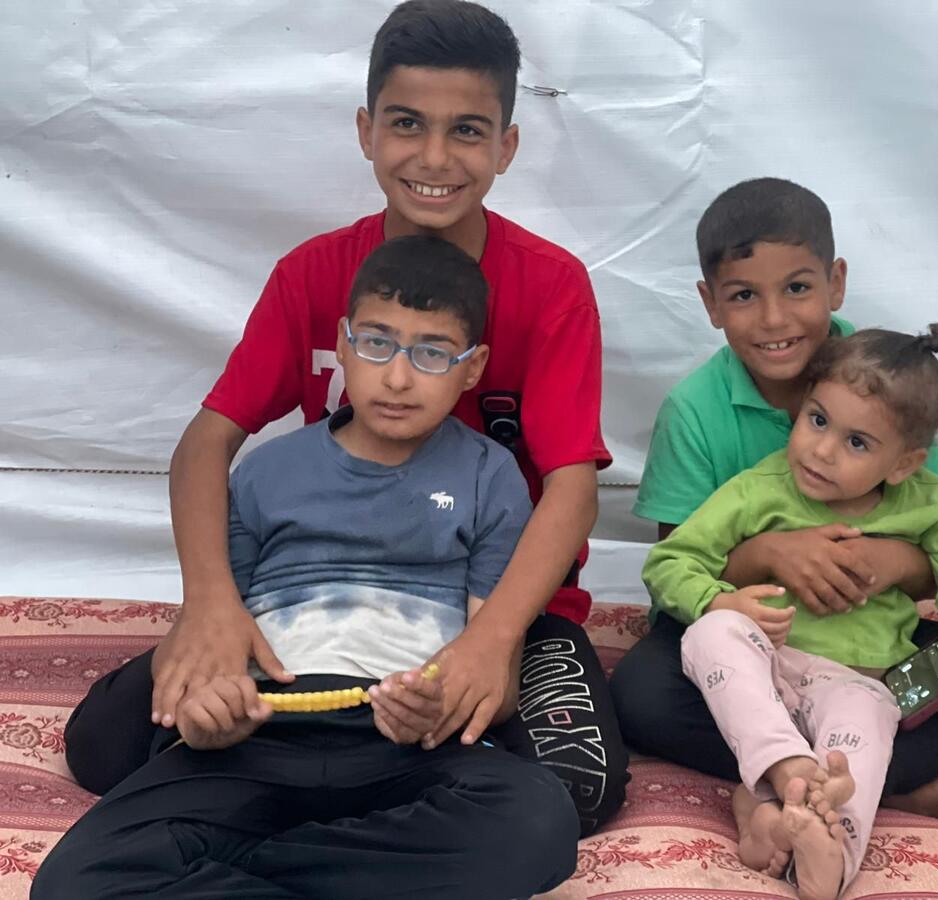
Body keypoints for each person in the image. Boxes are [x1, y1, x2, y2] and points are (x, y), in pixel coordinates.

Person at [63, 0, 628, 834]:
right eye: (407, 123)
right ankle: (337, 785)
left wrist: (493, 640)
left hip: (490, 598)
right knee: (106, 746)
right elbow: (205, 445)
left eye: (467, 130)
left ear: (507, 146)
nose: (434, 157)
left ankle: (352, 789)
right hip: (313, 596)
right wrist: (213, 605)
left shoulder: (550, 286)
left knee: (578, 789)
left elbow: (572, 489)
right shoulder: (312, 274)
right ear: (366, 130)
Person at [33, 236, 579, 899]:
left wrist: (436, 706)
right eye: (376, 344)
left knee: (539, 823)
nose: (399, 376)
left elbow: (494, 668)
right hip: (260, 733)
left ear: (473, 368)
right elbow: (215, 638)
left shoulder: (491, 478)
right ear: (342, 346)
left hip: (405, 742)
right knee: (73, 880)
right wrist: (210, 710)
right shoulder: (267, 470)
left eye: (433, 354)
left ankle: (246, 869)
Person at [611, 178, 938, 837]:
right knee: (642, 691)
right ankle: (905, 782)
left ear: (835, 283)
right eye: (743, 296)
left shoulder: (892, 383)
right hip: (759, 648)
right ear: (711, 304)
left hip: (875, 659)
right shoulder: (696, 411)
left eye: (797, 288)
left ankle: (818, 779)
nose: (776, 319)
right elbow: (679, 572)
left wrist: (891, 563)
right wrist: (770, 554)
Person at [643, 324, 938, 899]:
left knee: (871, 733)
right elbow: (671, 562)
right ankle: (799, 771)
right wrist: (720, 599)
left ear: (904, 463)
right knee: (710, 635)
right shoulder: (758, 490)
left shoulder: (928, 504)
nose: (821, 450)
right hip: (762, 671)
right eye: (817, 420)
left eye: (857, 443)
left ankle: (816, 851)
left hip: (858, 684)